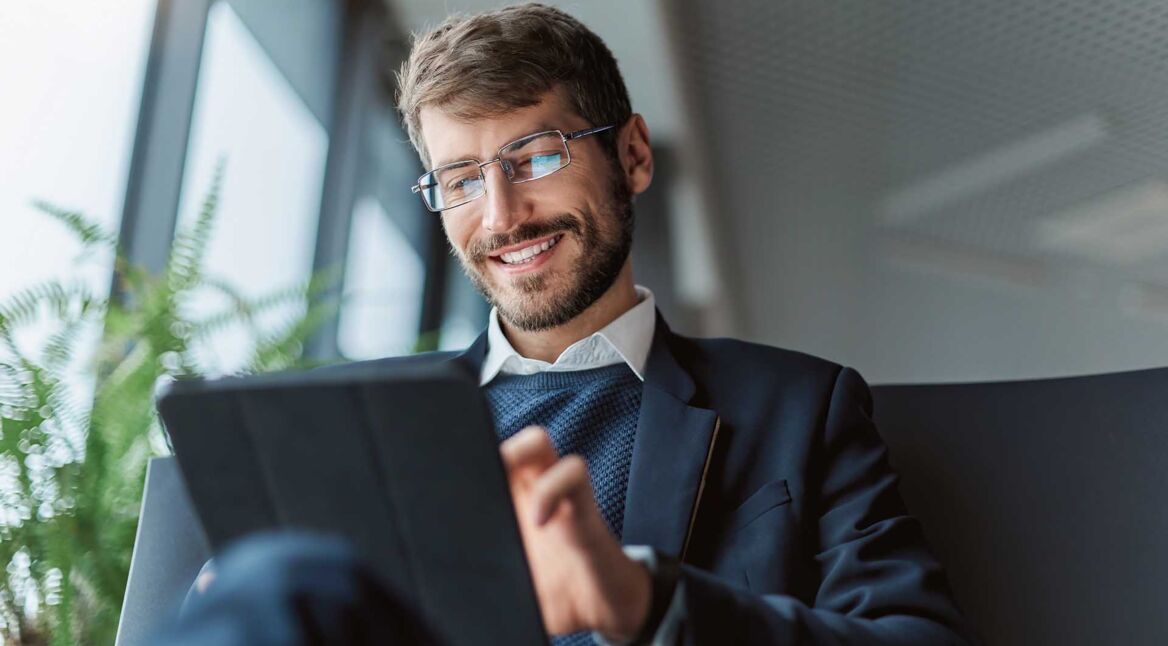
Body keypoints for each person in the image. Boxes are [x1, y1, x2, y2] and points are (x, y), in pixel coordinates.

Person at [165, 3, 974, 644]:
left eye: (537, 158)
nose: (502, 215)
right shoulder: (337, 428)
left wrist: (643, 601)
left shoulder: (798, 408)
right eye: (460, 180)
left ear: (632, 157)